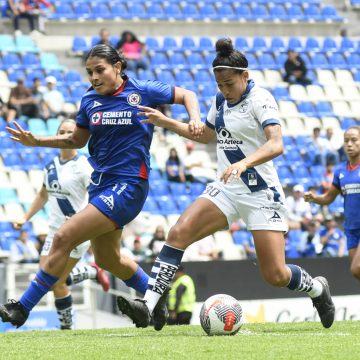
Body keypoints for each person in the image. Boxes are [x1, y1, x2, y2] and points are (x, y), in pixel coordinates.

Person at [117, 38, 335, 330]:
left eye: (229, 84)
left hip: (260, 193)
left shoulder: (261, 99)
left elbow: (276, 144)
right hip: (227, 189)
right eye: (220, 84)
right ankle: (149, 304)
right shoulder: (219, 100)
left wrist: (244, 162)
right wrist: (165, 122)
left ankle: (318, 290)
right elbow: (207, 136)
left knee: (276, 275)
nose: (224, 90)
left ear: (245, 76)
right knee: (178, 232)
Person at [1, 43, 202, 331]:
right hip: (101, 185)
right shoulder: (89, 101)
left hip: (130, 184)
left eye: (100, 70)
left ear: (117, 67)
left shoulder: (142, 90)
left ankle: (22, 307)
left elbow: (187, 94)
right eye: (89, 72)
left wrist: (194, 119)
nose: (93, 77)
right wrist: (39, 142)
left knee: (64, 236)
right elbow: (76, 142)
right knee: (108, 259)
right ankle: (156, 296)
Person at [11, 119, 110, 329]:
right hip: (53, 232)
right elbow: (43, 194)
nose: (65, 136)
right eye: (62, 132)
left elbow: (96, 197)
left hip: (76, 232)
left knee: (52, 280)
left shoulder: (84, 166)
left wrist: (88, 221)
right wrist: (25, 218)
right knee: (49, 281)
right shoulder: (50, 166)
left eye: (69, 133)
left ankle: (67, 326)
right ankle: (90, 273)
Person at [305, 126, 360, 279]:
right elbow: (329, 197)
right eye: (346, 141)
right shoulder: (340, 171)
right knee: (356, 273)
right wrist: (314, 198)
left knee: (357, 268)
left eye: (354, 140)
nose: (349, 144)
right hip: (351, 228)